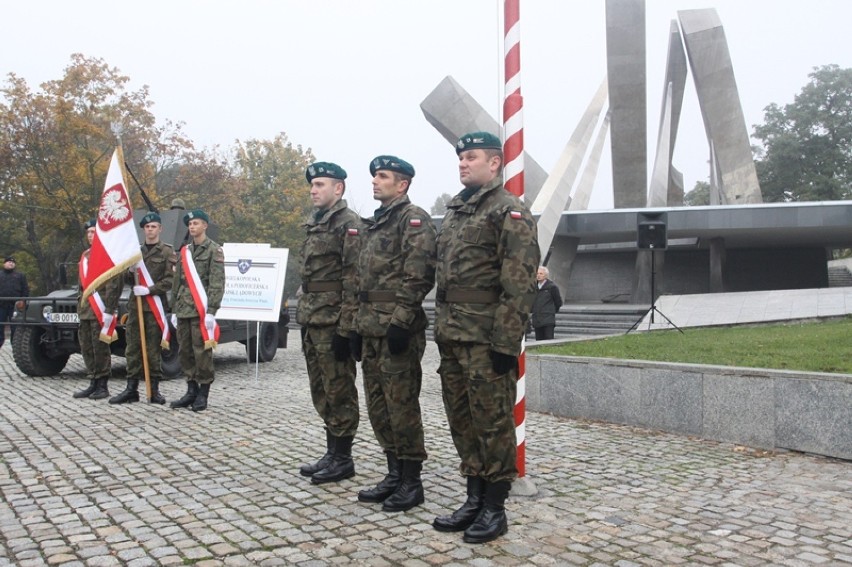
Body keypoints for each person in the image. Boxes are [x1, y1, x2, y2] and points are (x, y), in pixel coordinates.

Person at [432, 131, 539, 544]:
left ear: (494, 163)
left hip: (485, 338)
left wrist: (505, 343)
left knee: (492, 424)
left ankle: (495, 507)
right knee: (462, 420)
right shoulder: (457, 211)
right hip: (453, 335)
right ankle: (473, 498)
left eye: (471, 157)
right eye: (460, 157)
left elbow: (520, 283)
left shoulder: (509, 211)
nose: (462, 163)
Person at [352, 155, 436, 512]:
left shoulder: (412, 219)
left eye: (383, 176)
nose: (375, 181)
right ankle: (393, 472)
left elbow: (418, 275)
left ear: (401, 185)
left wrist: (401, 322)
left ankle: (411, 480)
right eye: (374, 176)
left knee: (401, 405)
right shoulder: (375, 224)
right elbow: (361, 280)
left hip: (395, 327)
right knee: (378, 405)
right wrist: (356, 325)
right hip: (370, 326)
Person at [297, 161, 362, 485]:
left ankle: (343, 457)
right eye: (313, 184)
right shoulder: (314, 223)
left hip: (333, 319)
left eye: (320, 184)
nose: (313, 189)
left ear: (338, 188)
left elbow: (354, 278)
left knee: (339, 389)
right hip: (312, 317)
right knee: (321, 389)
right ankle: (332, 451)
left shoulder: (348, 224)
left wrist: (346, 328)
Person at [109, 212, 176, 405]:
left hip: (154, 307)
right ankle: (131, 389)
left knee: (152, 349)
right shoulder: (135, 252)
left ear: (160, 229)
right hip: (135, 306)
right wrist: (130, 273)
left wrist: (149, 289)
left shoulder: (167, 252)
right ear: (143, 230)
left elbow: (170, 280)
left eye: (154, 226)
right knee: (132, 348)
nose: (150, 230)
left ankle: (154, 390)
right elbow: (128, 280)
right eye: (147, 227)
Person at [169, 209, 225, 412]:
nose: (192, 227)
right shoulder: (185, 252)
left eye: (196, 223)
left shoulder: (214, 250)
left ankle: (203, 393)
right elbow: (178, 282)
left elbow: (217, 283)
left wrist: (211, 311)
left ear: (205, 226)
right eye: (190, 224)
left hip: (201, 310)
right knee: (185, 351)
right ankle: (190, 389)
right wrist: (174, 309)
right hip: (183, 308)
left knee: (201, 351)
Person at [73, 219, 123, 400]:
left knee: (100, 347)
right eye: (88, 233)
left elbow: (113, 285)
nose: (90, 236)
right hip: (86, 309)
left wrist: (109, 310)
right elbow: (81, 287)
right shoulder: (85, 256)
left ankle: (103, 384)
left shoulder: (107, 255)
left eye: (94, 232)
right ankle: (93, 380)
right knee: (86, 346)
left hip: (100, 309)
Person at [0, 255, 29, 348]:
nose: (11, 263)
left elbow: (25, 289)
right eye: (9, 262)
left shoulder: (20, 276)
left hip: (15, 305)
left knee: (15, 327)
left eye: (13, 262)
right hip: (1, 305)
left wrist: (23, 300)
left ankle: (15, 346)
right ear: (4, 264)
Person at [531, 266, 563, 340]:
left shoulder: (552, 287)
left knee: (548, 340)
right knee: (538, 341)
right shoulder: (533, 287)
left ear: (546, 275)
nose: (538, 275)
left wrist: (551, 310)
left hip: (548, 319)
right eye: (537, 274)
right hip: (537, 318)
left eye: (541, 273)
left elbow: (558, 302)